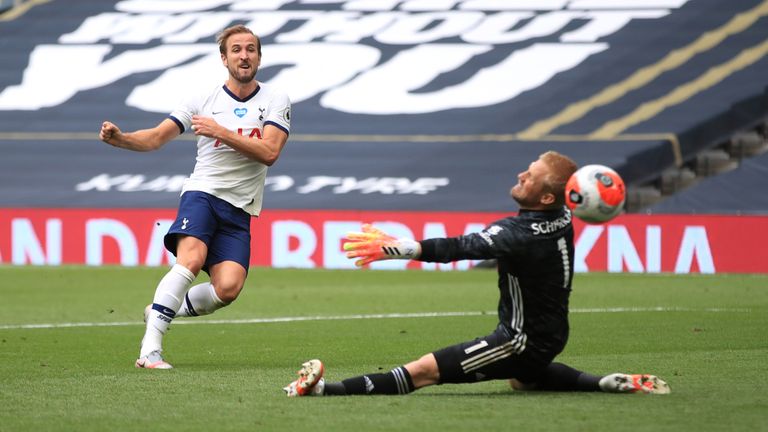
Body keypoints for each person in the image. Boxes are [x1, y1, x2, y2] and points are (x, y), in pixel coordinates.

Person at [283, 151, 670, 396]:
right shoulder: (564, 216)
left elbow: (463, 247)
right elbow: (578, 193)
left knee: (422, 372)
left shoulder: (518, 234)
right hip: (552, 335)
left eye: (531, 176)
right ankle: (603, 383)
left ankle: (323, 392)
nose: (521, 174)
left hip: (518, 340)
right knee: (524, 379)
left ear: (548, 198)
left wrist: (403, 247)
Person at [99, 25, 290, 369]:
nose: (244, 55)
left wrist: (221, 131)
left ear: (259, 57)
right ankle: (150, 350)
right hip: (202, 194)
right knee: (189, 260)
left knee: (227, 289)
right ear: (224, 58)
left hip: (240, 209)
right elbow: (157, 137)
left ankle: (160, 309)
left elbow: (269, 152)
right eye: (236, 50)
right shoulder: (202, 98)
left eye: (250, 49)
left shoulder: (275, 99)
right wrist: (122, 139)